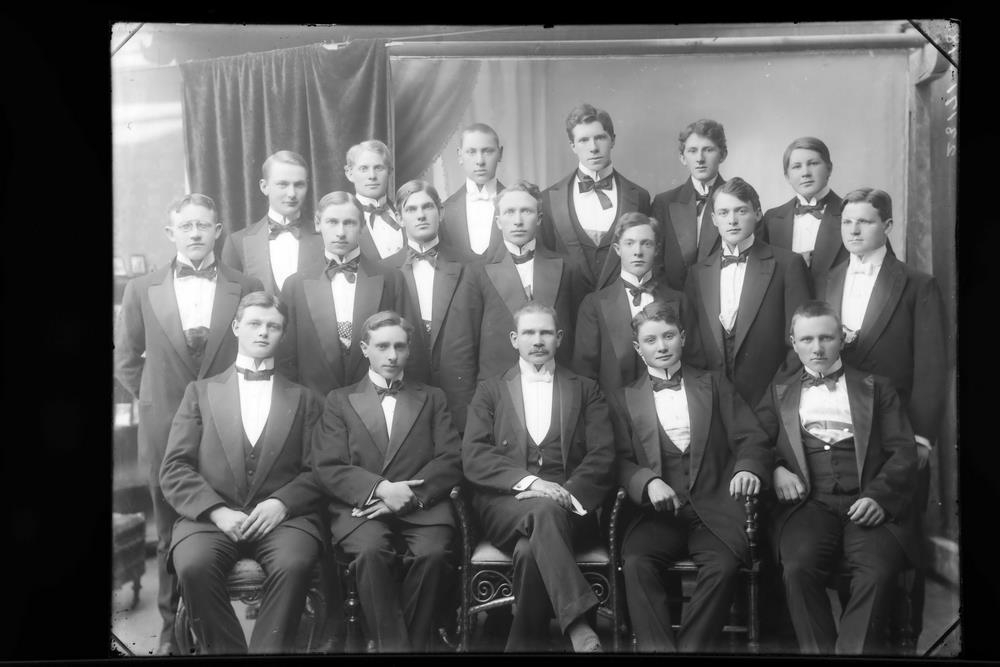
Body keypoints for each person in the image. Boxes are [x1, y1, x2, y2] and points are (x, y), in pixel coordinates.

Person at [114, 194, 262, 654]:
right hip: (164, 427)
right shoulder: (141, 288)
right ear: (171, 233)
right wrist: (159, 402)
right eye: (186, 226)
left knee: (223, 522)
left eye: (204, 225)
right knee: (167, 530)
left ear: (218, 231)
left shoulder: (246, 285)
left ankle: (223, 628)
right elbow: (126, 359)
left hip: (229, 426)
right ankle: (169, 633)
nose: (195, 233)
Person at [159, 291, 324, 654]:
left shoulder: (305, 398)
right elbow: (174, 467)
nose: (263, 332)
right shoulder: (199, 393)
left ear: (283, 333)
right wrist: (217, 511)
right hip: (210, 519)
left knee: (294, 562)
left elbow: (318, 469)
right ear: (236, 327)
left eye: (273, 326)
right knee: (194, 565)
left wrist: (282, 503)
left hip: (283, 519)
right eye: (254, 323)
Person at [754, 301, 919, 654]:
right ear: (793, 342)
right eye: (807, 339)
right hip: (809, 506)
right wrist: (775, 469)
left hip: (867, 503)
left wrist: (878, 496)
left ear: (842, 339)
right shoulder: (778, 391)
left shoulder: (877, 387)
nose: (817, 348)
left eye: (826, 338)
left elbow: (904, 452)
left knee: (876, 572)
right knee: (797, 568)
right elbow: (754, 442)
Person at [610, 303, 771, 652]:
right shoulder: (625, 398)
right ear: (638, 348)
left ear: (682, 337)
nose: (662, 346)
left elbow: (752, 437)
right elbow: (618, 460)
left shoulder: (713, 383)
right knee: (637, 562)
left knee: (723, 566)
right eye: (651, 340)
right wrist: (646, 481)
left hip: (714, 510)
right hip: (656, 516)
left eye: (668, 336)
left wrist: (747, 467)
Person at [462, 302, 616, 652]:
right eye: (529, 333)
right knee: (542, 511)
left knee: (530, 550)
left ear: (559, 338)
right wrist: (534, 484)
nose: (537, 340)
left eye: (545, 332)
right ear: (514, 339)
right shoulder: (490, 390)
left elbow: (603, 455)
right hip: (506, 506)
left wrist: (566, 493)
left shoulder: (586, 389)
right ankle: (578, 623)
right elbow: (474, 456)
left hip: (570, 507)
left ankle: (523, 646)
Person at [312, 311, 463, 652]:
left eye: (400, 346)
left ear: (410, 349)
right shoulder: (339, 400)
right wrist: (380, 489)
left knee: (433, 553)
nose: (392, 355)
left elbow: (451, 458)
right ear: (364, 348)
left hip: (423, 506)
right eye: (382, 346)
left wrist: (408, 495)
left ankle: (395, 647)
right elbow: (327, 465)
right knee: (370, 552)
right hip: (361, 508)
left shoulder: (433, 397)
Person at [449, 180, 585, 414]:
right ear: (498, 221)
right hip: (498, 398)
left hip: (557, 393)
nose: (518, 220)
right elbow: (462, 344)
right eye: (509, 212)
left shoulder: (567, 267)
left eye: (526, 211)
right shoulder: (477, 272)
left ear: (539, 218)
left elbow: (580, 339)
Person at [685, 177, 811, 408]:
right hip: (714, 404)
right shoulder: (697, 273)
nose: (732, 220)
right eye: (723, 213)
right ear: (713, 219)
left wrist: (774, 400)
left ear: (758, 213)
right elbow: (694, 348)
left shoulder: (787, 265)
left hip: (769, 402)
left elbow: (800, 343)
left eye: (741, 211)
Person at [277, 191, 415, 399]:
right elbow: (286, 358)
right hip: (316, 405)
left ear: (362, 226)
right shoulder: (295, 285)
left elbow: (408, 348)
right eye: (332, 222)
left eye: (349, 223)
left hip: (376, 402)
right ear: (318, 224)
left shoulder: (391, 279)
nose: (340, 232)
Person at [573, 212, 705, 395]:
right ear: (617, 249)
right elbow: (585, 374)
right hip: (614, 407)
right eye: (629, 243)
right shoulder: (594, 305)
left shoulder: (679, 301)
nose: (638, 251)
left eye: (646, 243)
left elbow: (695, 363)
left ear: (656, 249)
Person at [379, 180, 472, 429]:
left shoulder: (470, 265)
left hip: (459, 385)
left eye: (428, 207)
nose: (420, 215)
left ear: (440, 212)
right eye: (411, 209)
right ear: (399, 218)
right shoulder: (385, 271)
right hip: (407, 381)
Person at [539, 103, 651, 293]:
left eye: (600, 138)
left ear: (612, 140)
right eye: (583, 140)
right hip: (569, 303)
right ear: (573, 146)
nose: (593, 148)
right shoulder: (549, 198)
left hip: (621, 304)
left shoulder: (639, 197)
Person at [220, 150, 326, 295]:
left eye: (299, 185)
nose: (291, 194)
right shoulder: (237, 242)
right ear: (264, 187)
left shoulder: (325, 237)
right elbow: (230, 299)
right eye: (282, 184)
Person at [758, 137, 848, 289]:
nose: (805, 173)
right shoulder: (772, 219)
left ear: (829, 168)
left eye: (813, 163)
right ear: (787, 176)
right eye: (796, 166)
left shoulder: (851, 214)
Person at [651, 119, 728, 291]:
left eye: (708, 150)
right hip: (674, 300)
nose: (700, 159)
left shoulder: (738, 201)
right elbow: (654, 263)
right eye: (692, 151)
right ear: (683, 158)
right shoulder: (664, 203)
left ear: (722, 155)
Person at [440, 123, 506, 263]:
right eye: (471, 152)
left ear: (500, 154)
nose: (480, 161)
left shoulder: (518, 205)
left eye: (487, 151)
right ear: (460, 155)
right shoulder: (444, 211)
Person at [345, 139, 404, 261]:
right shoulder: (342, 220)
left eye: (378, 168)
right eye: (364, 169)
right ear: (350, 173)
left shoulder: (405, 214)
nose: (372, 176)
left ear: (390, 171)